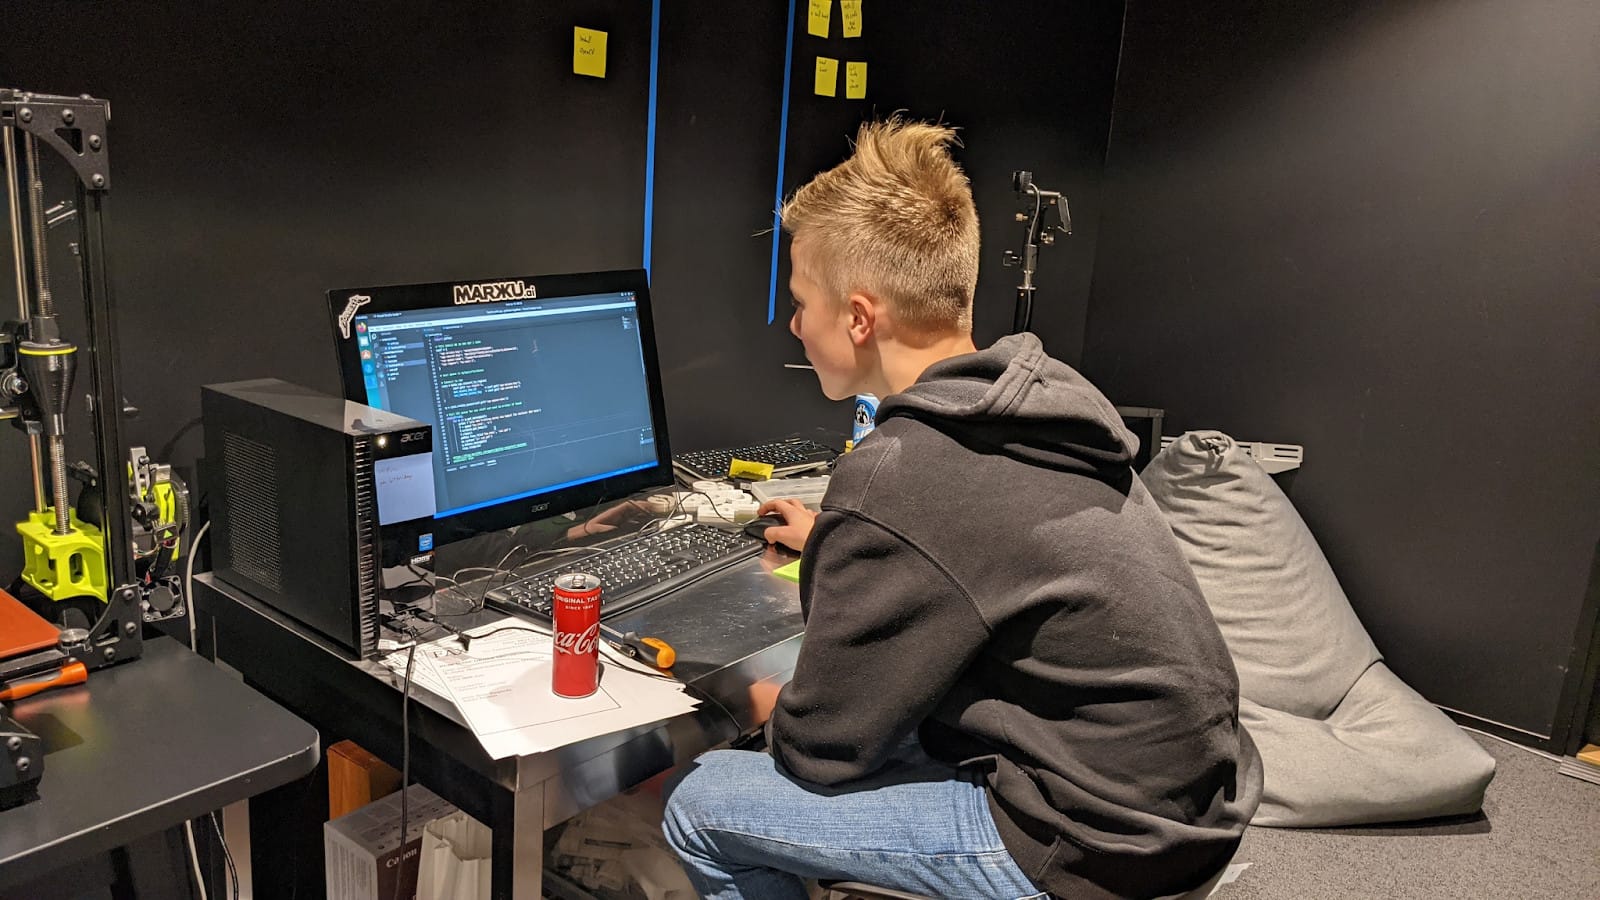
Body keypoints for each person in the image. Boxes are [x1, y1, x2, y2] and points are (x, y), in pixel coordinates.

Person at [661, 117, 1261, 900]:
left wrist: (731, 703)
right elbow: (980, 546)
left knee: (702, 801)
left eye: (801, 298)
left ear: (859, 317)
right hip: (1188, 804)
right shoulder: (1028, 410)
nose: (793, 323)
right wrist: (841, 537)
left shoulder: (903, 474)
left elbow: (820, 751)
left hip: (1088, 844)